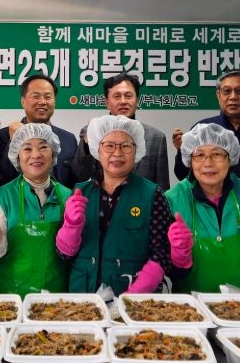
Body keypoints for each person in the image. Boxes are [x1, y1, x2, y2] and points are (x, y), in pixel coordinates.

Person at [55, 115, 185, 296]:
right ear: (97, 150)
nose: (117, 153)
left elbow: (161, 252)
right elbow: (65, 256)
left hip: (134, 300)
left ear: (136, 150)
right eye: (109, 145)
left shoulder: (152, 194)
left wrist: (138, 291)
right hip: (83, 300)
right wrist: (71, 227)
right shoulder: (80, 192)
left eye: (126, 146)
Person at [166, 124, 240, 293]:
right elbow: (168, 272)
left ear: (229, 159)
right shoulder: (173, 200)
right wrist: (179, 257)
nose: (208, 163)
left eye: (216, 154)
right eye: (199, 155)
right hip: (189, 304)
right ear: (190, 161)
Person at [0, 124, 71, 296]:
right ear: (17, 156)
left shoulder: (68, 197)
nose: (36, 155)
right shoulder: (3, 196)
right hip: (10, 299)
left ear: (53, 154)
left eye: (43, 147)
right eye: (27, 148)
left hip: (57, 298)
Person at [172, 69, 240, 185]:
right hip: (211, 196)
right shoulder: (202, 130)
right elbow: (184, 176)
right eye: (226, 91)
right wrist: (182, 150)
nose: (233, 97)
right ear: (218, 95)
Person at [70, 72, 170, 189]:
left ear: (137, 100)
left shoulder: (156, 138)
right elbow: (79, 176)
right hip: (103, 199)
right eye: (117, 96)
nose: (123, 101)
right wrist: (87, 142)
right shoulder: (93, 132)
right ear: (107, 102)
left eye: (128, 96)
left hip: (143, 200)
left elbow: (162, 187)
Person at [0, 74, 78, 187]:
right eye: (36, 96)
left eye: (48, 97)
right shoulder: (3, 135)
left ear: (54, 101)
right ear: (23, 101)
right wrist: (13, 141)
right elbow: (4, 178)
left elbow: (77, 179)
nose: (42, 102)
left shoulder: (69, 139)